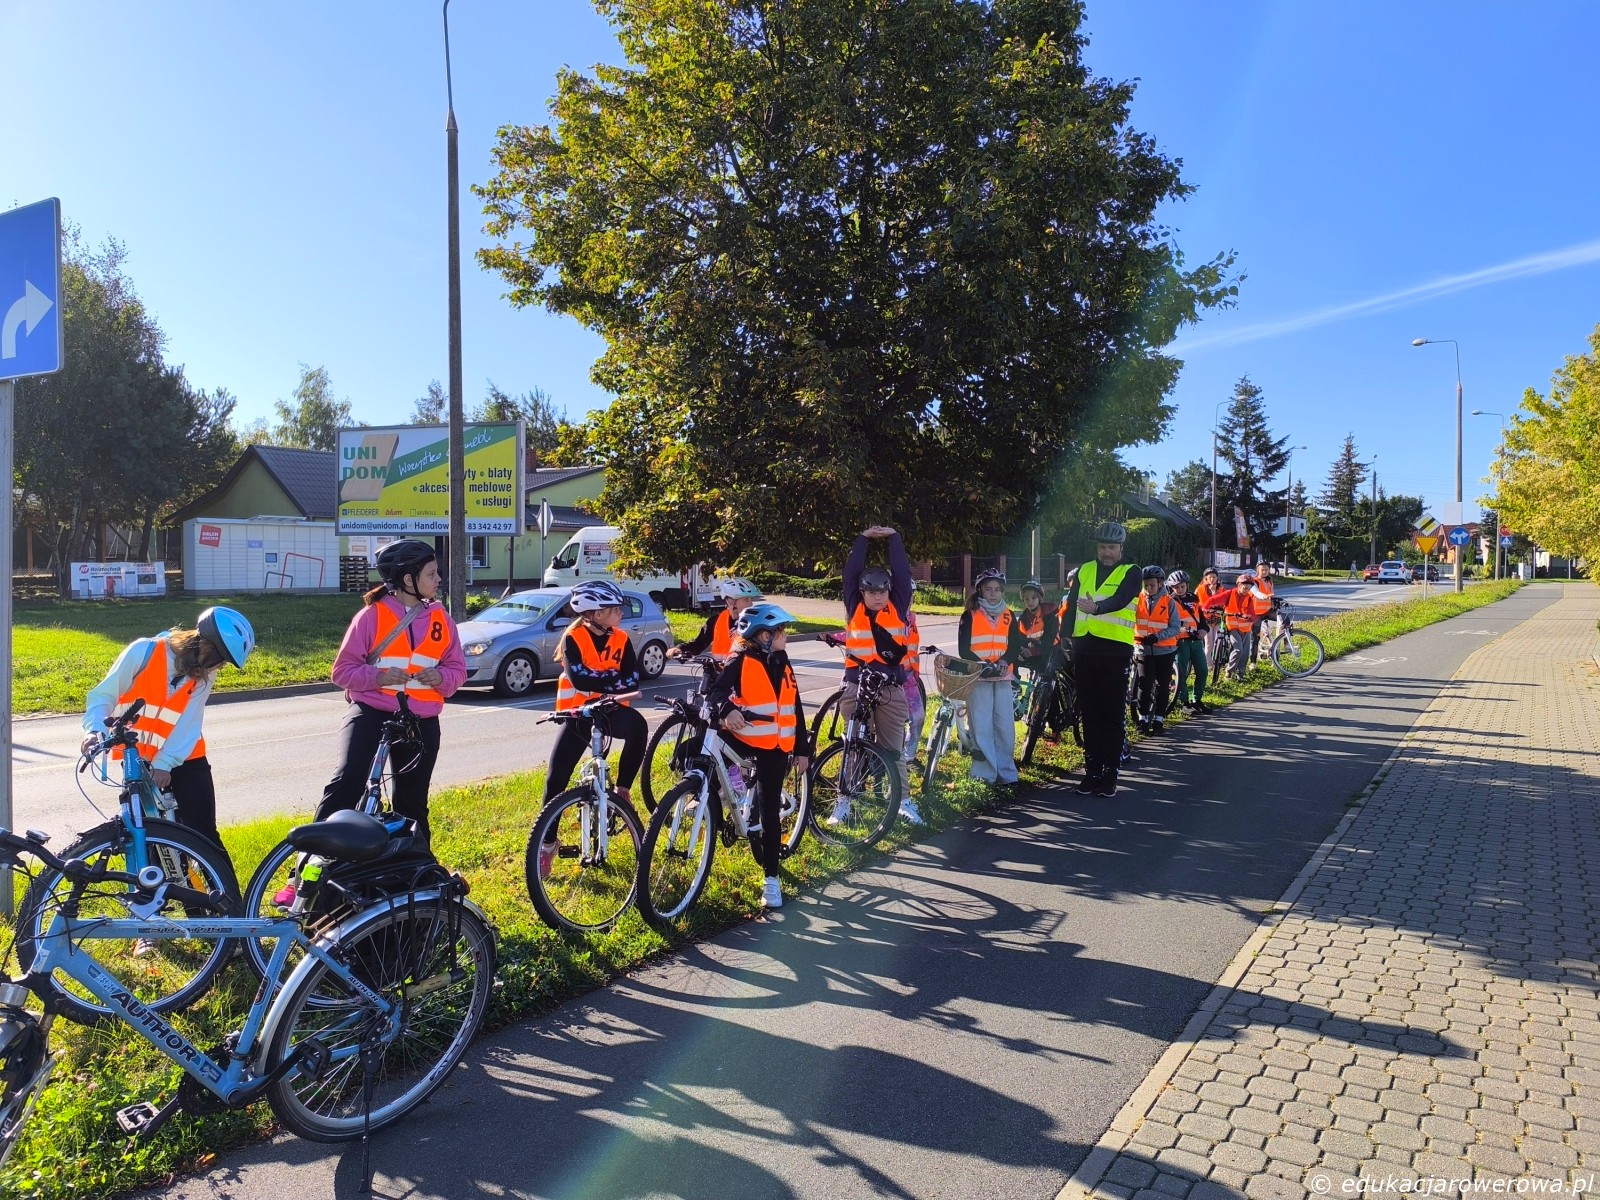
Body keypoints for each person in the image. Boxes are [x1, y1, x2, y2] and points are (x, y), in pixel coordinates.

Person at [317, 538, 465, 852]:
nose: (438, 579)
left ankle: (416, 870)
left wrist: (441, 677)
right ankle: (309, 864)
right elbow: (341, 672)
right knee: (347, 784)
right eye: (431, 574)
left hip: (420, 721)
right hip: (372, 713)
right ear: (408, 580)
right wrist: (378, 677)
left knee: (412, 803)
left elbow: (457, 671)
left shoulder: (442, 619)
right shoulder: (371, 616)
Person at [81, 606, 256, 855]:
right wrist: (95, 731)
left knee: (204, 835)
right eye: (221, 660)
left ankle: (220, 882)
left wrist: (164, 763)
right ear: (206, 647)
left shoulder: (205, 674)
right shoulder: (143, 652)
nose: (220, 667)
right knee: (145, 836)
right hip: (137, 758)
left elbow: (188, 723)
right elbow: (104, 696)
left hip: (185, 756)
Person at [706, 603, 811, 909]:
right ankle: (714, 796)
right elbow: (717, 691)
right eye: (781, 631)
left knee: (769, 811)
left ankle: (771, 879)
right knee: (710, 753)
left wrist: (802, 749)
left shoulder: (782, 660)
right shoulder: (740, 658)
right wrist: (728, 709)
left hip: (776, 748)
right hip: (746, 739)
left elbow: (795, 705)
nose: (786, 635)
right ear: (764, 636)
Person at [839, 525, 918, 823]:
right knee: (852, 745)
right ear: (862, 592)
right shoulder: (854, 606)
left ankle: (904, 801)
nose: (877, 597)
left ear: (889, 590)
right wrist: (863, 539)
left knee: (893, 750)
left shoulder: (897, 606)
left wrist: (894, 538)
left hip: (890, 688)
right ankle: (844, 801)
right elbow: (850, 574)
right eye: (871, 592)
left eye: (882, 591)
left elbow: (902, 573)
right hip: (856, 685)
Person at [1063, 521, 1141, 797]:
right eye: (1102, 547)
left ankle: (1110, 774)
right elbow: (1071, 605)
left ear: (1121, 548)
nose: (1106, 552)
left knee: (1112, 714)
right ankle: (1092, 772)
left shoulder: (1132, 571)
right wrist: (1064, 636)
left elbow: (1121, 599)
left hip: (1115, 651)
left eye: (1111, 547)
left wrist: (1097, 608)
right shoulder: (1084, 570)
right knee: (1090, 713)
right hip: (1085, 648)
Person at [958, 567, 1022, 787]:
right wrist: (982, 665)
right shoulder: (970, 614)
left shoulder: (1009, 615)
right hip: (979, 676)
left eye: (997, 589)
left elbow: (1015, 645)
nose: (993, 593)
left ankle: (1006, 774)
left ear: (1002, 591)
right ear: (980, 591)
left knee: (1004, 726)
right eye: (988, 589)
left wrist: (1004, 661)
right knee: (981, 725)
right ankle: (984, 774)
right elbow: (964, 648)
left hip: (1002, 676)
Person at [1132, 566, 1180, 733]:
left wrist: (1157, 637)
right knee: (1144, 684)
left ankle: (1159, 719)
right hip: (1143, 649)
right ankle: (1143, 718)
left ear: (1160, 583)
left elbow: (1175, 627)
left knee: (1162, 685)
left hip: (1165, 650)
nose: (1148, 588)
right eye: (1145, 585)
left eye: (1152, 585)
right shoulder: (1137, 599)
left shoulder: (1169, 602)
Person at [668, 578, 763, 661]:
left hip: (744, 672)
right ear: (731, 602)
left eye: (751, 599)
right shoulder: (716, 621)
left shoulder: (756, 622)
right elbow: (699, 643)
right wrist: (680, 648)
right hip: (719, 672)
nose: (751, 604)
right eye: (746, 599)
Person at [1202, 570, 1261, 682]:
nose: (1246, 590)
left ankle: (1240, 674)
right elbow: (1213, 600)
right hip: (1233, 627)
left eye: (1248, 588)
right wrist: (1205, 608)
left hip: (1246, 628)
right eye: (1245, 587)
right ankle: (1229, 672)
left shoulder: (1249, 598)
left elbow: (1253, 614)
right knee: (1238, 649)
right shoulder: (1230, 594)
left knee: (1245, 653)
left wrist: (1250, 617)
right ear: (1239, 585)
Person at [1168, 570, 1211, 714]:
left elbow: (1201, 619)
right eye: (1176, 587)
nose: (1180, 589)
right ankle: (1184, 702)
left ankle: (1197, 700)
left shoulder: (1194, 598)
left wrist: (1204, 630)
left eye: (1182, 586)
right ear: (1171, 588)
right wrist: (1181, 624)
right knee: (1181, 673)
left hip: (1196, 641)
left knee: (1203, 671)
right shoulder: (1169, 601)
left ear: (1187, 585)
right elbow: (1166, 621)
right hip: (1180, 642)